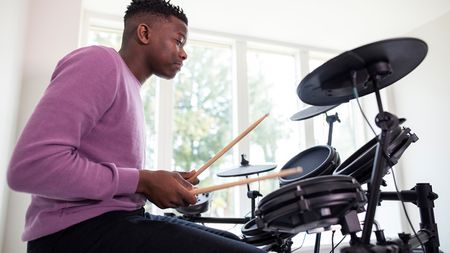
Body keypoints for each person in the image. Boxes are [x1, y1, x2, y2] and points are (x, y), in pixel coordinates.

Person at [7, 0, 265, 252]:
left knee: (241, 244)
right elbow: (32, 166)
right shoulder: (100, 62)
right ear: (144, 33)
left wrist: (159, 182)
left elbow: (117, 177)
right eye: (179, 40)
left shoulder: (129, 85)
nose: (184, 52)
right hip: (75, 234)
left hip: (120, 220)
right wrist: (143, 181)